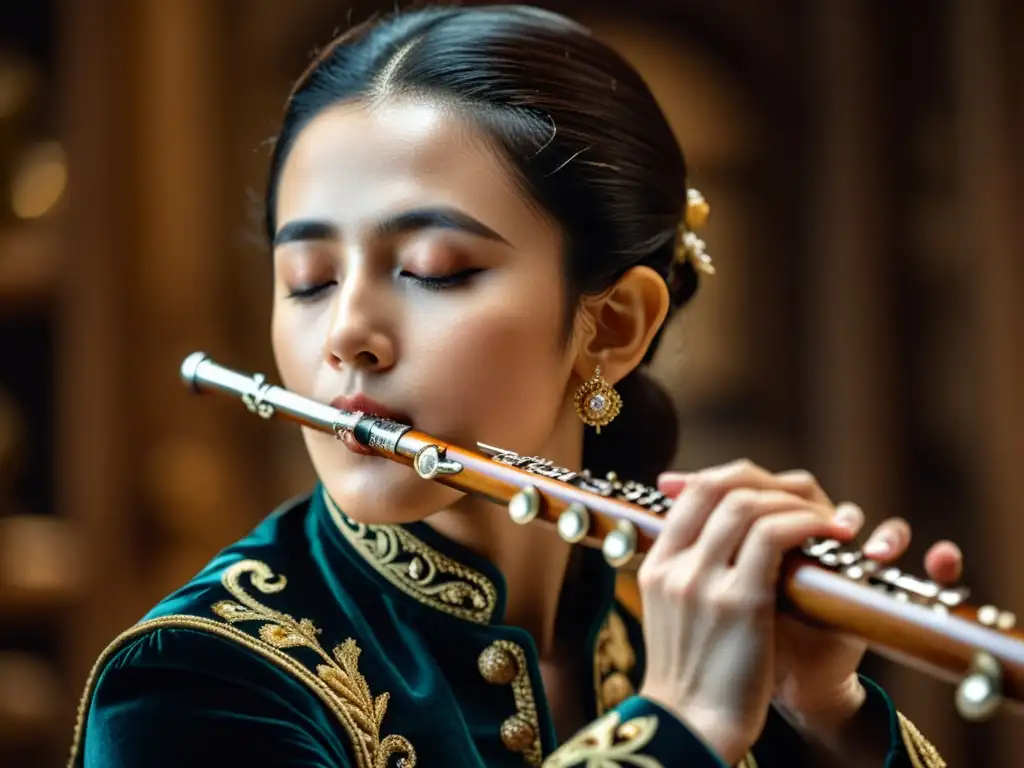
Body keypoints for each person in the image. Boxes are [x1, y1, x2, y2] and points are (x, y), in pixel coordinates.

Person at [68, 5, 959, 767]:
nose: (346, 336)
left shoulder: (683, 621)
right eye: (307, 278)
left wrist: (830, 717)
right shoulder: (188, 683)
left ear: (609, 327)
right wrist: (678, 728)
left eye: (433, 268)